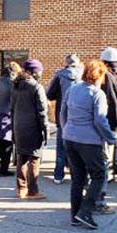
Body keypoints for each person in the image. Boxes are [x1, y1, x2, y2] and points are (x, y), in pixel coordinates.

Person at [61, 60, 117, 229]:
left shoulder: (72, 89)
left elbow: (62, 113)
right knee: (99, 175)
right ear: (100, 76)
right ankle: (85, 211)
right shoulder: (97, 94)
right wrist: (111, 138)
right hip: (89, 141)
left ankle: (75, 215)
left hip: (70, 137)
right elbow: (100, 120)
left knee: (78, 178)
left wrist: (66, 130)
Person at [11, 59, 48, 199]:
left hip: (18, 126)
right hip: (33, 127)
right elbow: (42, 111)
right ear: (34, 72)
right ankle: (33, 191)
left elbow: (12, 109)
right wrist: (45, 129)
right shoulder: (36, 87)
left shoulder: (15, 85)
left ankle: (21, 189)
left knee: (22, 158)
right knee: (34, 159)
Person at [46, 53, 83, 184]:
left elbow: (49, 95)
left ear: (66, 63)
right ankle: (77, 175)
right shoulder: (84, 75)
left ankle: (58, 174)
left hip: (63, 115)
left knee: (61, 147)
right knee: (79, 147)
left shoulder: (60, 75)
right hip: (80, 116)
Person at [95, 46, 117, 214]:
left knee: (98, 164)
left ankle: (94, 197)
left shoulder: (98, 76)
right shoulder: (109, 78)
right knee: (104, 165)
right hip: (106, 126)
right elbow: (113, 104)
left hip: (95, 127)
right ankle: (99, 200)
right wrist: (115, 129)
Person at [0, 62, 21, 176]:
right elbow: (14, 100)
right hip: (4, 114)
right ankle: (4, 170)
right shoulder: (11, 84)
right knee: (7, 143)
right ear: (13, 73)